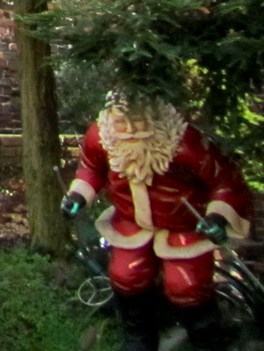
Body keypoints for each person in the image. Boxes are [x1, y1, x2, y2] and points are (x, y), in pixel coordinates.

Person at [61, 93, 251, 351]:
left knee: (186, 282)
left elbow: (225, 181)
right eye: (121, 123)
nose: (129, 132)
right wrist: (78, 195)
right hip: (130, 223)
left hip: (185, 225)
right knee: (125, 274)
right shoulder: (100, 137)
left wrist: (216, 216)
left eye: (138, 123)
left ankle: (208, 341)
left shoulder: (187, 142)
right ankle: (139, 340)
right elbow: (91, 169)